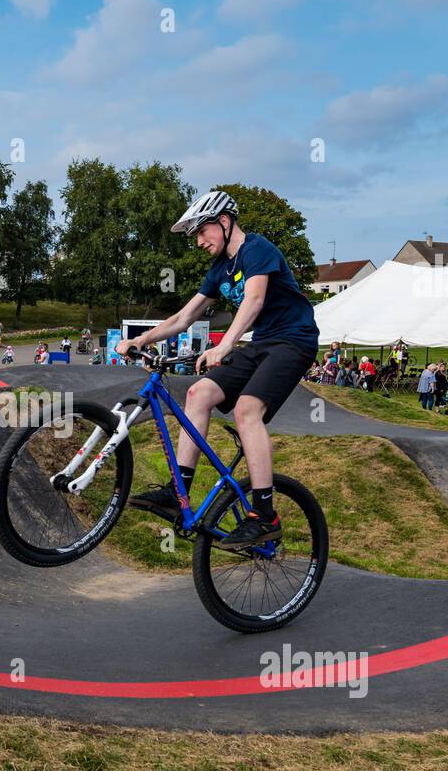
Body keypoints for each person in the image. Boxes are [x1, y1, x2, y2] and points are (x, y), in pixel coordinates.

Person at [115, 190, 318, 549]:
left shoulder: (258, 249)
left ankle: (265, 515)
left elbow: (254, 299)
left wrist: (224, 345)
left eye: (201, 232)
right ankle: (179, 495)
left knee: (247, 409)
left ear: (223, 222)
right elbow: (185, 317)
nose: (197, 241)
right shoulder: (219, 268)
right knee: (199, 393)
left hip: (294, 341)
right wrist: (141, 340)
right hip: (260, 343)